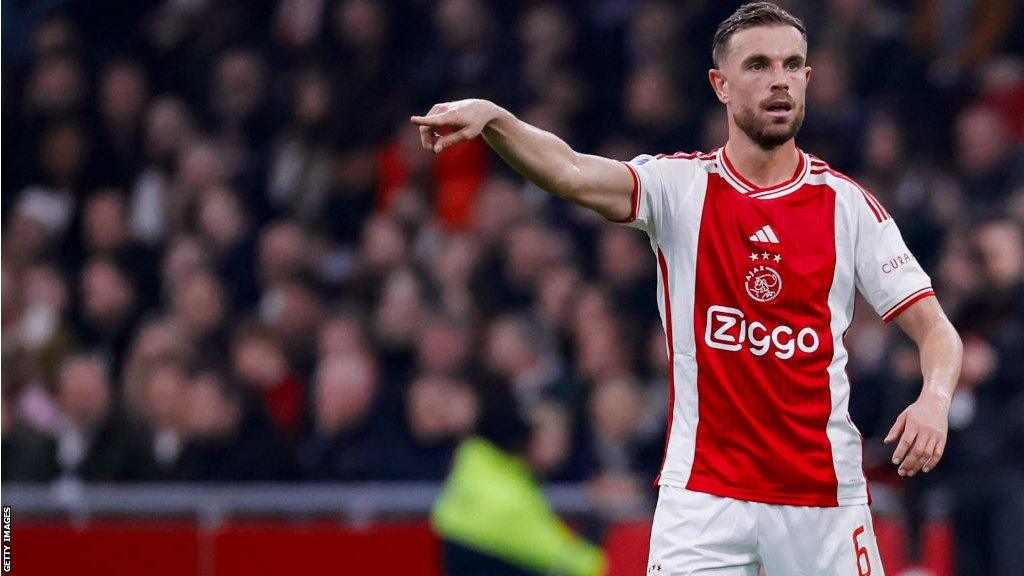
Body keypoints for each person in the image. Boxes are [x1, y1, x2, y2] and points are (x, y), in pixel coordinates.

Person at [411, 3, 963, 575]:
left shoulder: (848, 207)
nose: (778, 79)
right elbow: (570, 172)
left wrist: (934, 401)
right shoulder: (679, 188)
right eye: (758, 65)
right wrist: (496, 118)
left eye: (792, 64)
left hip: (821, 499)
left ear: (807, 79)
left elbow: (938, 334)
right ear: (720, 85)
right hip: (702, 500)